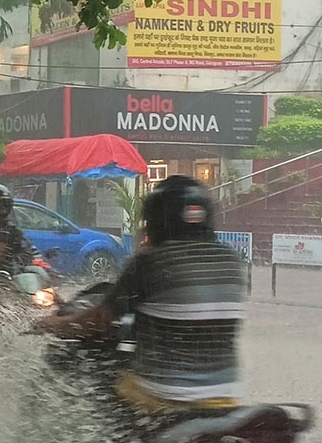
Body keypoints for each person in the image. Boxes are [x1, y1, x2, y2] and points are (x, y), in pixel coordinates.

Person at [32, 175, 246, 415]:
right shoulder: (231, 260)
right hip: (222, 399)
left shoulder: (152, 260)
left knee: (97, 393)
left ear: (158, 219)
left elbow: (97, 321)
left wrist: (49, 324)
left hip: (162, 398)